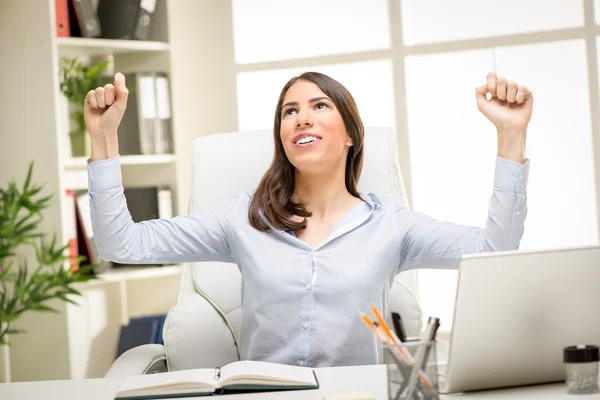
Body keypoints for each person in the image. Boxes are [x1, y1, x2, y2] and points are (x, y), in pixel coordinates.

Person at [84, 71, 532, 368]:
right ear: (283, 137)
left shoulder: (392, 227)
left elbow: (495, 249)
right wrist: (103, 140)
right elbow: (122, 244)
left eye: (319, 106)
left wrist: (511, 135)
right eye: (289, 111)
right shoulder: (242, 218)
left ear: (350, 135)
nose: (301, 118)